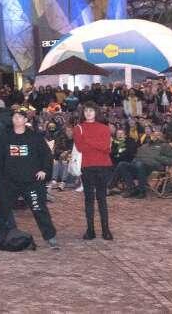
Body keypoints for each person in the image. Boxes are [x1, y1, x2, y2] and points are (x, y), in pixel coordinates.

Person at [0, 108, 59, 249]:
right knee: (3, 208)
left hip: (32, 182)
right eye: (14, 117)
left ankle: (50, 236)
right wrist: (2, 175)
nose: (16, 120)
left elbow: (46, 155)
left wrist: (44, 170)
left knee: (39, 208)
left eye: (20, 117)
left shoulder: (34, 137)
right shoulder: (6, 137)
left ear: (25, 120)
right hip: (10, 181)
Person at [72, 102, 114, 240]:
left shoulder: (104, 128)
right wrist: (97, 144)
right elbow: (80, 147)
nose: (88, 113)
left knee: (102, 199)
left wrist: (88, 141)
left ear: (96, 112)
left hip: (103, 165)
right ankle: (90, 230)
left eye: (91, 110)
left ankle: (105, 230)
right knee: (89, 199)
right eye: (86, 111)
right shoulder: (78, 128)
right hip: (87, 166)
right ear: (83, 113)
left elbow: (107, 148)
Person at [117, 127, 172, 198]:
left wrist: (158, 157)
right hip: (139, 166)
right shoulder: (145, 146)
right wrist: (134, 161)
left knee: (139, 164)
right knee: (122, 164)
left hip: (154, 167)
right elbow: (137, 156)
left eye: (158, 135)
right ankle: (131, 188)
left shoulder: (165, 146)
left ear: (162, 137)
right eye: (154, 135)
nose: (155, 136)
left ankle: (142, 191)